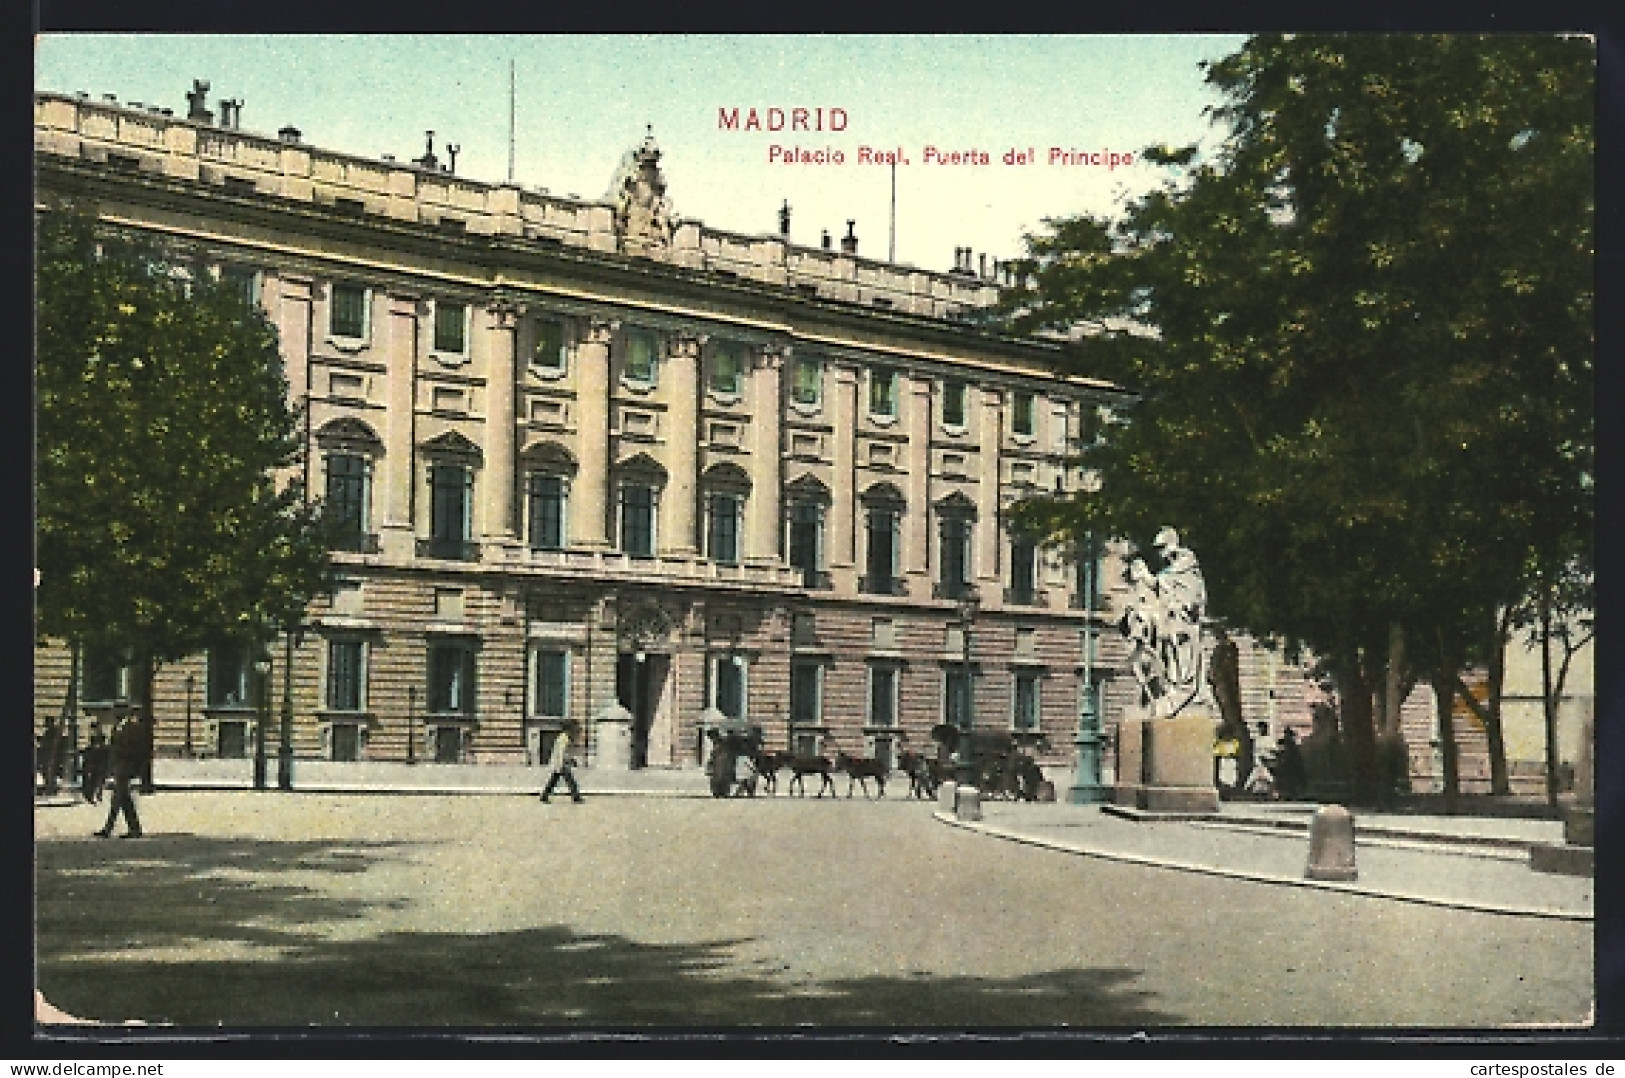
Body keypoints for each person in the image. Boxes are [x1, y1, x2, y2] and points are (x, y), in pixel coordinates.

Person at [95, 708, 147, 838]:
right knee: (124, 799)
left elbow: (138, 750)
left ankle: (108, 829)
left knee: (117, 799)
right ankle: (134, 829)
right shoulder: (116, 728)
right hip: (119, 767)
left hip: (126, 767)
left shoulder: (132, 728)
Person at [540, 720, 584, 804]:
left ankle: (544, 796)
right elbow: (561, 752)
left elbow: (563, 752)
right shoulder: (564, 738)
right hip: (561, 763)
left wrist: (570, 760)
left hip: (560, 763)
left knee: (553, 781)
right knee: (571, 781)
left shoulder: (564, 737)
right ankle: (576, 797)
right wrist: (562, 763)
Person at [80, 724, 109, 805]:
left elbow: (101, 745)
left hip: (98, 760)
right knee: (96, 779)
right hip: (95, 760)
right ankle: (94, 795)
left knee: (99, 779)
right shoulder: (95, 736)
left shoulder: (100, 736)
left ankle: (97, 794)